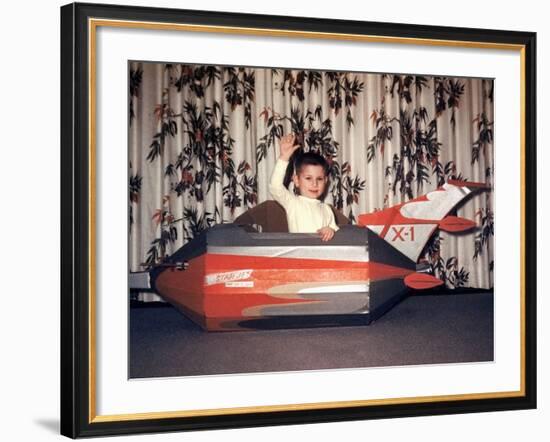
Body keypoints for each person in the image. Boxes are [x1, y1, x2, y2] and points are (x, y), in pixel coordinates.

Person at [269, 133, 338, 241]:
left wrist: (331, 231)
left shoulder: (327, 209)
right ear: (296, 180)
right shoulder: (292, 203)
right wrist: (283, 158)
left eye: (319, 179)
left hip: (322, 255)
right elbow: (275, 187)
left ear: (325, 181)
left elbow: (337, 235)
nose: (314, 184)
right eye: (308, 178)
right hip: (299, 255)